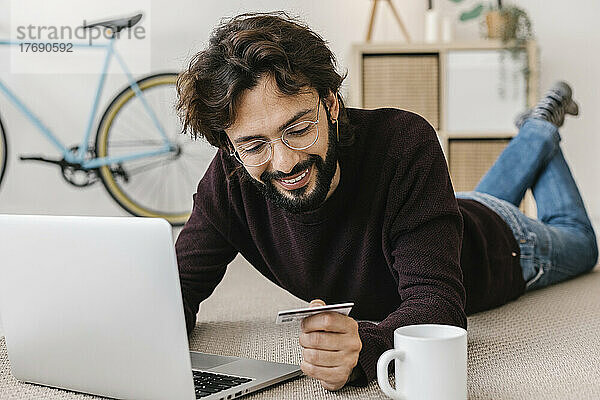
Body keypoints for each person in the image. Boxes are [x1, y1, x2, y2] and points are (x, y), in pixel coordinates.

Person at [174, 12, 598, 390]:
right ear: (230, 147)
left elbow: (438, 304)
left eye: (299, 128)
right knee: (457, 203)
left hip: (506, 241)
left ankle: (540, 128)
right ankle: (535, 132)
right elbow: (175, 291)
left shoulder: (403, 143)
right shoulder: (230, 180)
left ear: (331, 104)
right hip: (427, 215)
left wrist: (367, 347)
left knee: (581, 239)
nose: (284, 162)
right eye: (253, 145)